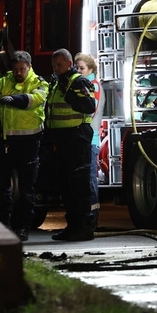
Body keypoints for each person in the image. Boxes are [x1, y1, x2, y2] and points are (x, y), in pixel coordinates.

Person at [0, 51, 49, 242]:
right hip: (6, 142)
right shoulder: (5, 81)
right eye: (16, 69)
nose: (19, 72)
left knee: (27, 189)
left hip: (29, 142)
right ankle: (4, 226)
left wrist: (14, 100)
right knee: (2, 187)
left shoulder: (39, 83)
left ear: (29, 67)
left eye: (22, 69)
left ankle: (23, 228)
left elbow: (34, 100)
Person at [43, 48, 99, 241]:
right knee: (67, 186)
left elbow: (89, 106)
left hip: (76, 138)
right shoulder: (57, 82)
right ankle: (72, 227)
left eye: (59, 65)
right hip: (62, 140)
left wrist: (70, 94)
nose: (56, 69)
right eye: (53, 65)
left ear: (69, 63)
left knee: (78, 186)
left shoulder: (78, 81)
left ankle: (83, 228)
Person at [74, 52, 104, 205]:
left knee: (90, 179)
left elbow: (91, 110)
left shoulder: (94, 86)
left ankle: (92, 218)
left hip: (90, 140)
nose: (78, 71)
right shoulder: (84, 85)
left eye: (82, 68)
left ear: (91, 70)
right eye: (77, 68)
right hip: (84, 139)